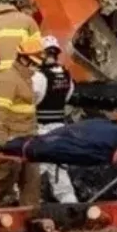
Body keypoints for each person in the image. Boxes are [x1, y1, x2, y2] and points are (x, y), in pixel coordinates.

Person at [0, 34, 43, 209]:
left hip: (28, 141)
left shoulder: (25, 79)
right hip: (11, 142)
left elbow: (29, 112)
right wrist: (1, 143)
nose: (36, 67)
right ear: (24, 59)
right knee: (1, 184)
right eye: (34, 63)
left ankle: (30, 221)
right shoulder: (8, 79)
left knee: (32, 184)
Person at [33, 36, 79, 204]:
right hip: (60, 127)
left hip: (42, 128)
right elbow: (66, 98)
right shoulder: (67, 76)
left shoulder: (39, 77)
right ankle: (70, 204)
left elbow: (33, 99)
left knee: (34, 169)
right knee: (59, 172)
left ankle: (22, 200)